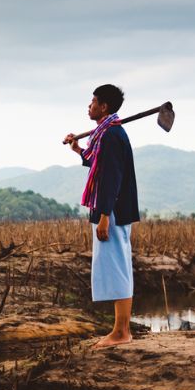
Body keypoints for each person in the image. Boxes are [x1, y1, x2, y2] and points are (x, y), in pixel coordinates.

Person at [63, 84, 139, 348]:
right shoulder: (105, 134)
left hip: (113, 210)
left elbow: (111, 178)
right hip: (112, 209)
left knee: (117, 266)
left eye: (93, 101)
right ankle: (122, 330)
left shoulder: (111, 135)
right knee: (117, 264)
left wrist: (105, 215)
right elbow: (97, 163)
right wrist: (76, 149)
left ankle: (121, 332)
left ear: (104, 106)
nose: (89, 105)